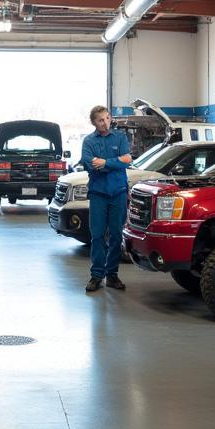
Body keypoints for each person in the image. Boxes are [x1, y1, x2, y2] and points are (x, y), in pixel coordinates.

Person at [82, 106, 132, 293]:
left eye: (107, 118)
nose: (105, 122)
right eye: (100, 120)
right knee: (97, 236)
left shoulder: (120, 138)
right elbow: (90, 165)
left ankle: (112, 275)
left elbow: (127, 160)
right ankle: (96, 276)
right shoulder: (88, 141)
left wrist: (104, 162)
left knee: (116, 236)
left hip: (118, 193)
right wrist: (114, 162)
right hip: (98, 195)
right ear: (93, 122)